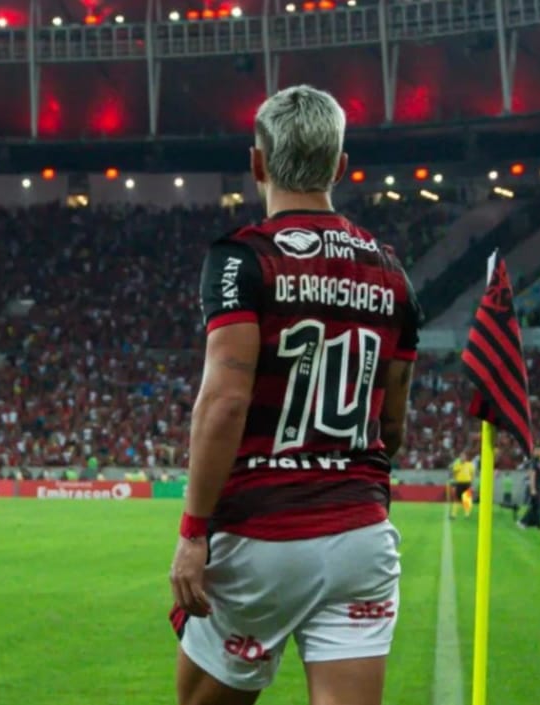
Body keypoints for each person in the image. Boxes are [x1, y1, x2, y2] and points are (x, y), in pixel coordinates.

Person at [167, 85, 422, 705]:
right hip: (361, 538)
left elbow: (225, 401)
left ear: (257, 164)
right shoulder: (392, 272)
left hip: (263, 535)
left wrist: (194, 532)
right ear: (340, 166)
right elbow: (392, 427)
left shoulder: (242, 259)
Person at [518, 451, 540, 529]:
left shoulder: (539, 463)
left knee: (538, 506)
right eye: (538, 451)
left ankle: (535, 524)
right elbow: (532, 477)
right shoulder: (533, 464)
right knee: (538, 506)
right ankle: (524, 522)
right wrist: (532, 489)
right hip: (536, 488)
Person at [449, 450, 475, 519]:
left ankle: (467, 514)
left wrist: (472, 484)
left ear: (466, 457)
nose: (462, 458)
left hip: (467, 483)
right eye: (461, 456)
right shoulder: (457, 465)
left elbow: (472, 475)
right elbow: (454, 473)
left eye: (463, 456)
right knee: (457, 499)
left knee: (467, 499)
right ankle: (453, 514)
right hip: (459, 483)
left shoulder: (470, 465)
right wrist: (454, 482)